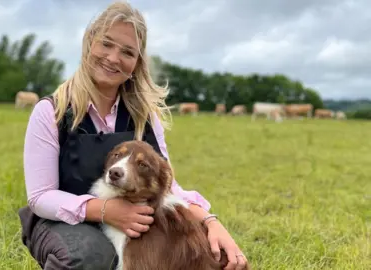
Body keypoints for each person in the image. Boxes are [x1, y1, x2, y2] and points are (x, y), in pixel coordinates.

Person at [18, 1, 249, 270]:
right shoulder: (52, 111)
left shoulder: (144, 115)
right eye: (106, 44)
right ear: (89, 42)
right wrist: (106, 210)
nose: (113, 58)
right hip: (61, 220)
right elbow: (40, 197)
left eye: (127, 52)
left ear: (136, 63)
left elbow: (168, 185)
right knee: (89, 255)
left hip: (132, 215)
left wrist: (210, 222)